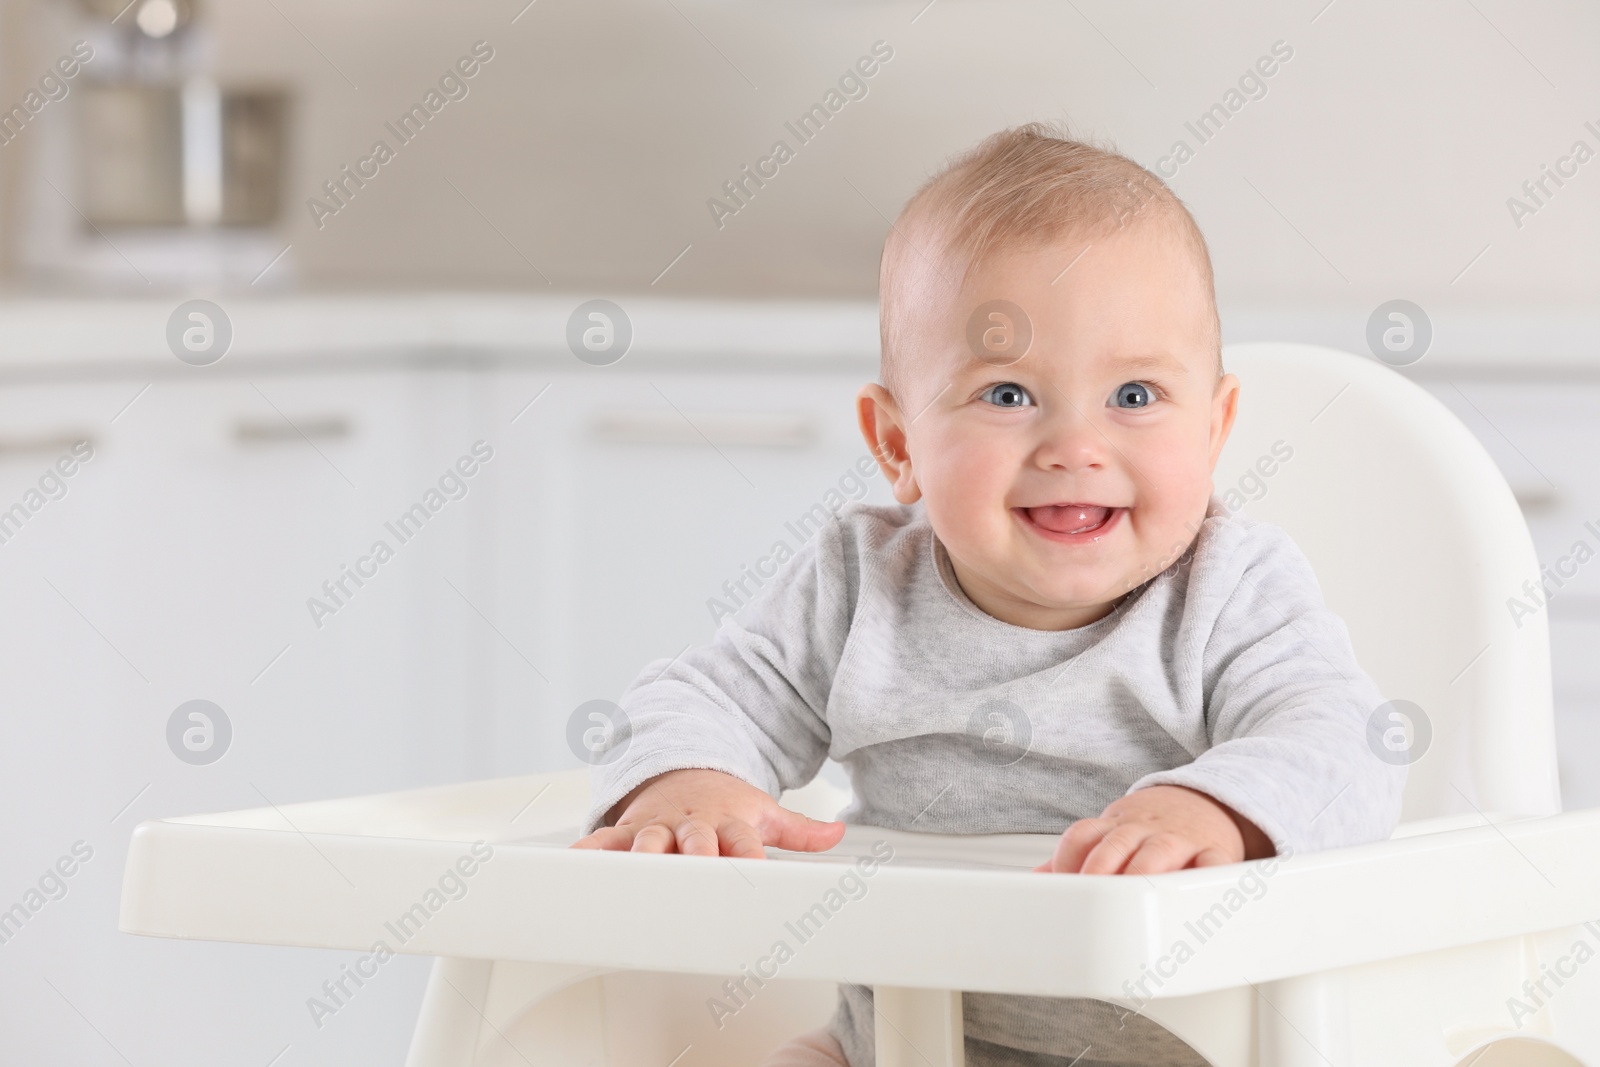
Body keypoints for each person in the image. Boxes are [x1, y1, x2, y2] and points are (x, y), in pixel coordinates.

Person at [572, 122, 1405, 1067]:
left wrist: (1210, 810)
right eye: (1008, 395)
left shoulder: (1229, 592)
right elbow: (700, 696)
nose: (1074, 446)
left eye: (1134, 396)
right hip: (900, 1043)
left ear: (1214, 431)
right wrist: (689, 785)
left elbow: (1346, 742)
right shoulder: (859, 587)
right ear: (898, 445)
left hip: (1175, 1049)